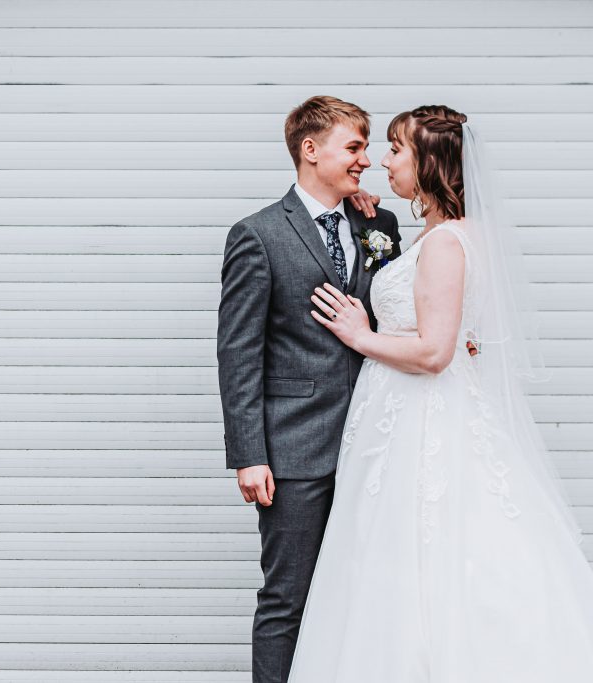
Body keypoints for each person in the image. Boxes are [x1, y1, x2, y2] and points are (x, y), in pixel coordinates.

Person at [285, 105, 593, 681]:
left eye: (397, 149)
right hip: (409, 417)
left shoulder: (444, 245)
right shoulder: (442, 235)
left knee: (416, 566)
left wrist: (362, 335)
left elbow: (436, 352)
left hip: (420, 423)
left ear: (431, 163)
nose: (384, 161)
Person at [217, 95, 402, 683]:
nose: (366, 161)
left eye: (369, 149)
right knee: (288, 598)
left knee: (366, 594)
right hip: (297, 448)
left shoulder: (379, 225)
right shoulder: (258, 235)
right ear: (309, 149)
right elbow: (238, 351)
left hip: (378, 438)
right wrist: (250, 454)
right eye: (354, 148)